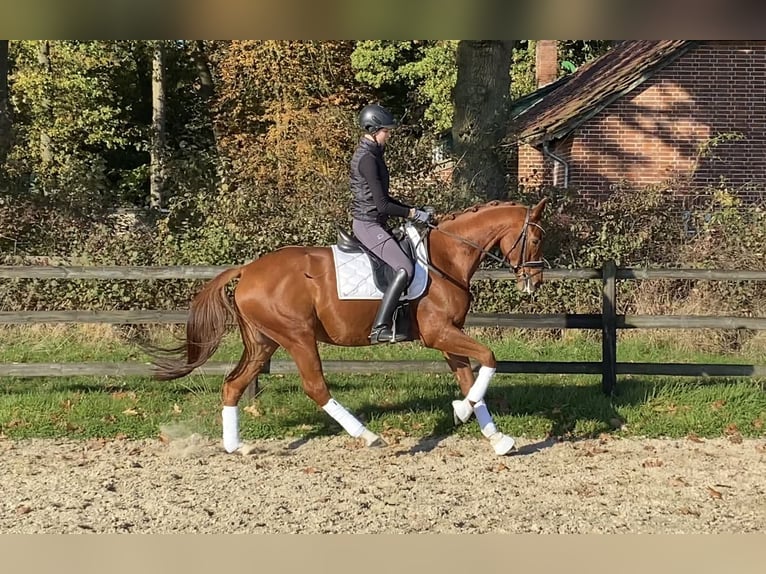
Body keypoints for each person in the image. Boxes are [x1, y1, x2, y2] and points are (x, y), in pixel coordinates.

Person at [350, 103, 431, 344]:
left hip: (375, 221)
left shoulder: (374, 155)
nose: (389, 134)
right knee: (404, 267)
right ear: (374, 129)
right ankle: (380, 327)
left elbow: (384, 199)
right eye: (386, 130)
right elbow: (383, 206)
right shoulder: (367, 159)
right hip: (368, 224)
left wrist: (414, 208)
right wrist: (413, 214)